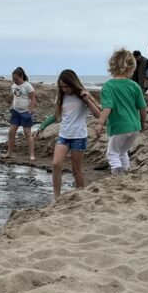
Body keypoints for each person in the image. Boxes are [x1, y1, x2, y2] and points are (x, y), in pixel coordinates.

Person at [34, 70, 102, 198]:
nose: (64, 89)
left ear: (73, 83)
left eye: (66, 86)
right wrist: (42, 126)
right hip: (64, 135)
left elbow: (98, 114)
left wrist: (88, 101)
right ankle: (56, 198)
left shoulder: (83, 96)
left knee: (76, 169)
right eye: (61, 86)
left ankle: (80, 195)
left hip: (79, 136)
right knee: (56, 164)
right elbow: (56, 115)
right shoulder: (61, 97)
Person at [94, 48, 148, 174]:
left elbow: (108, 107)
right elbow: (142, 107)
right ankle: (126, 172)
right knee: (123, 152)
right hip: (134, 126)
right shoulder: (134, 86)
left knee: (112, 154)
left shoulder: (108, 86)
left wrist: (100, 122)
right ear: (131, 68)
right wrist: (143, 122)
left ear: (112, 67)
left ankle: (117, 177)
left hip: (119, 126)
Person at [5, 67, 36, 162]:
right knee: (11, 132)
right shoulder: (13, 86)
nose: (15, 81)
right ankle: (9, 153)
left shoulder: (28, 86)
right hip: (15, 112)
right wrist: (11, 107)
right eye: (13, 79)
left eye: (16, 79)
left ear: (21, 76)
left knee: (27, 133)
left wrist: (29, 111)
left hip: (25, 113)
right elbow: (14, 97)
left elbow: (33, 100)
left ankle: (32, 154)